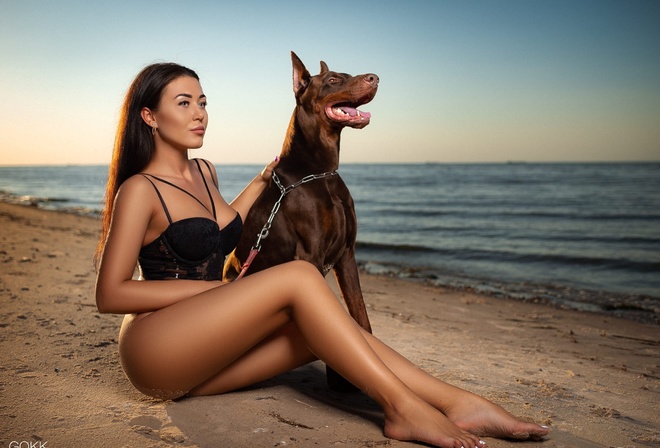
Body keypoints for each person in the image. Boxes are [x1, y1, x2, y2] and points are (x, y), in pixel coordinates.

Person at [94, 62, 550, 448]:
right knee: (299, 276)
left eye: (203, 102)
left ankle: (458, 403)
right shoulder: (139, 190)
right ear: (149, 117)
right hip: (156, 352)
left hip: (204, 355)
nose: (200, 115)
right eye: (184, 103)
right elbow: (110, 295)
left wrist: (262, 179)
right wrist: (217, 289)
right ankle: (402, 409)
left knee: (320, 327)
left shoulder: (203, 171)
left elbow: (219, 226)